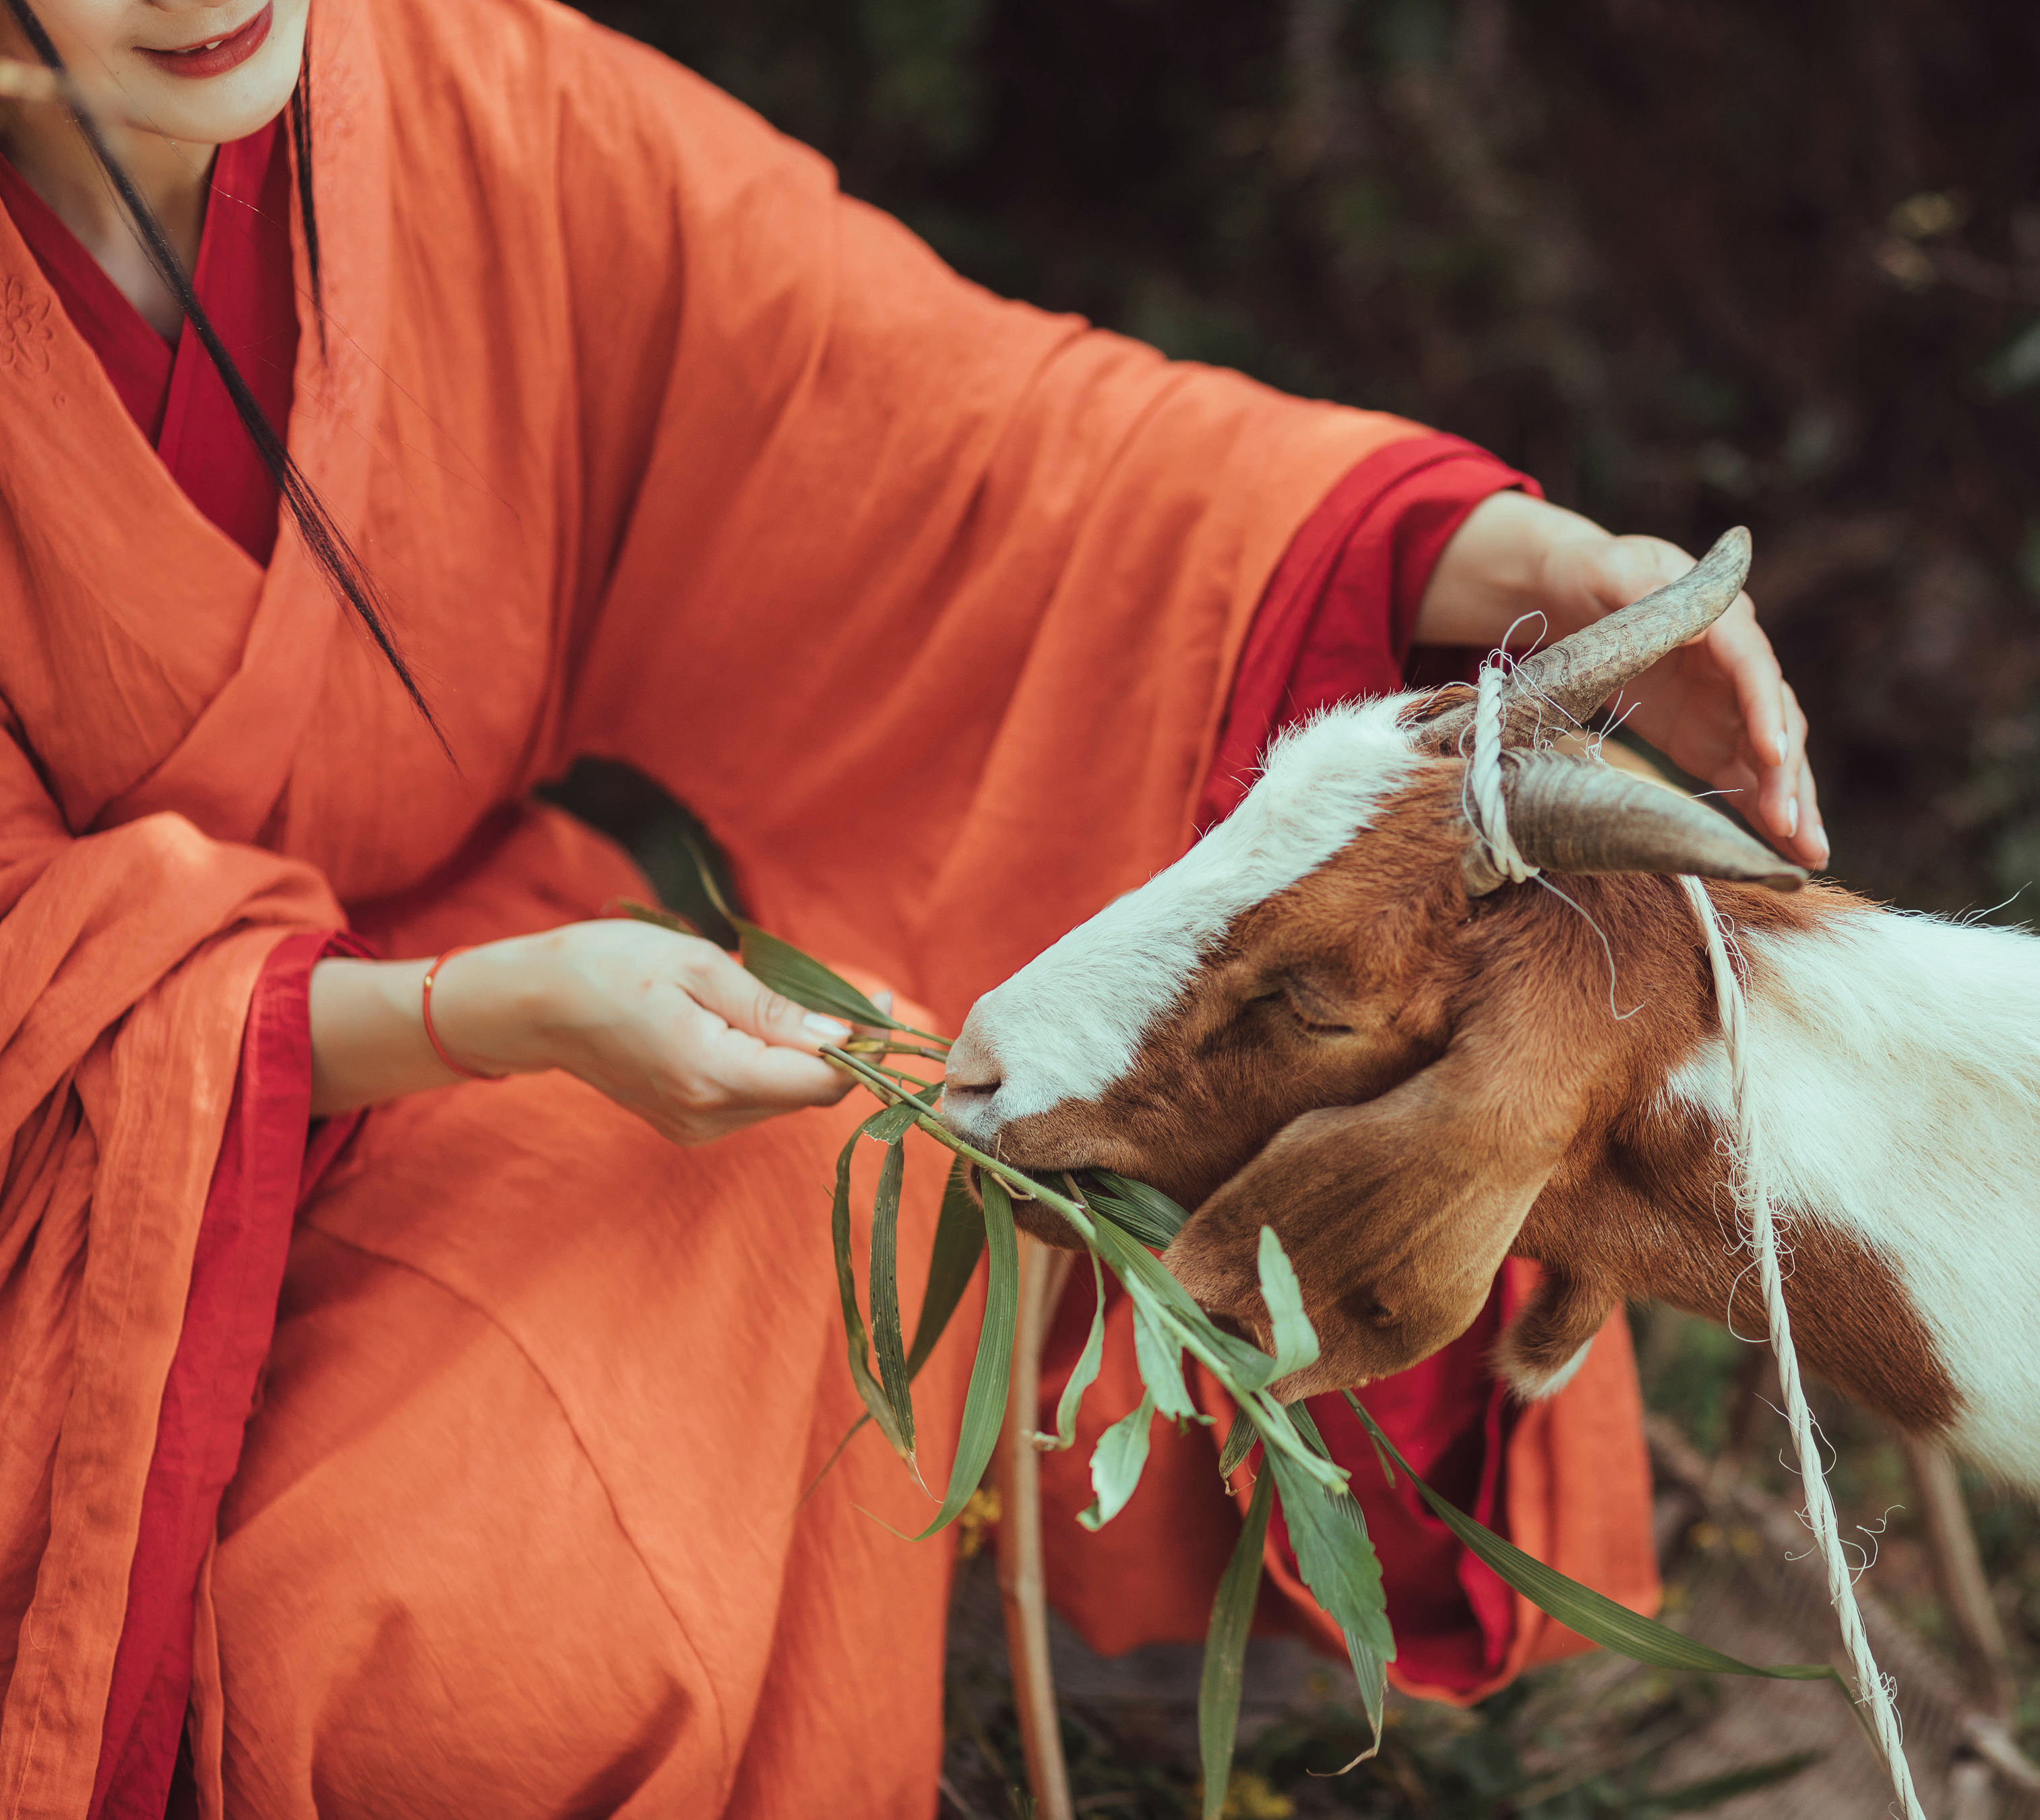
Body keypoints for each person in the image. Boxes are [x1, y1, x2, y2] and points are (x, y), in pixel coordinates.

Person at [0, 0, 1828, 1811]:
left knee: (787, 1199)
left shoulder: (473, 99)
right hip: (77, 1150)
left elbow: (943, 426)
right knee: (387, 1670)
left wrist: (1499, 565)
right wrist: (476, 1016)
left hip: (454, 998)